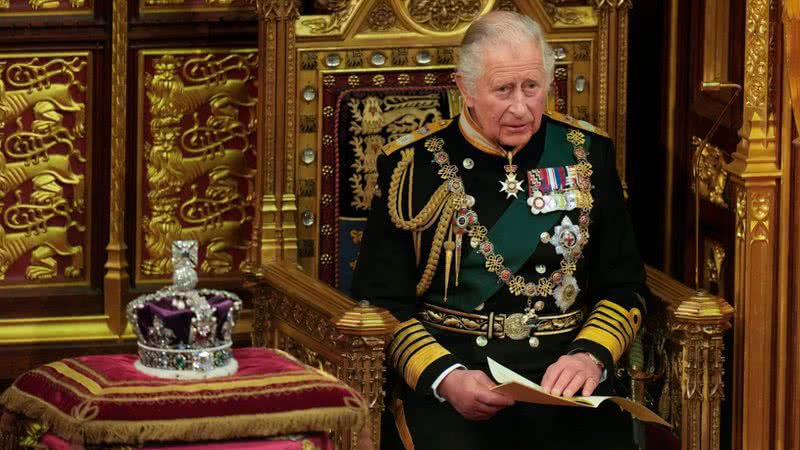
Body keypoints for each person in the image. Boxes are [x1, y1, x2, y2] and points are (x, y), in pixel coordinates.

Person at [352, 11, 648, 450]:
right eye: (503, 89)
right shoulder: (412, 167)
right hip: (458, 378)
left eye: (532, 87)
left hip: (564, 379)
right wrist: (444, 378)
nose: (521, 107)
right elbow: (381, 302)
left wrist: (590, 356)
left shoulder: (587, 154)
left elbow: (623, 285)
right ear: (465, 88)